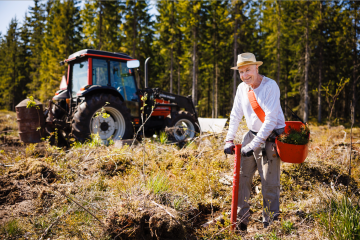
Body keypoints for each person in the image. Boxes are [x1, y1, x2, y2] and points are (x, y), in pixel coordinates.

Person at [224, 52, 286, 230]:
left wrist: (255, 145)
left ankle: (270, 224)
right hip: (251, 135)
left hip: (270, 137)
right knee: (242, 179)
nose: (245, 75)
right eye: (241, 72)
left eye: (248, 70)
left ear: (257, 68)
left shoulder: (270, 86)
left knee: (269, 182)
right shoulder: (242, 88)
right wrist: (229, 139)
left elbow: (271, 120)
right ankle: (242, 220)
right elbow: (235, 115)